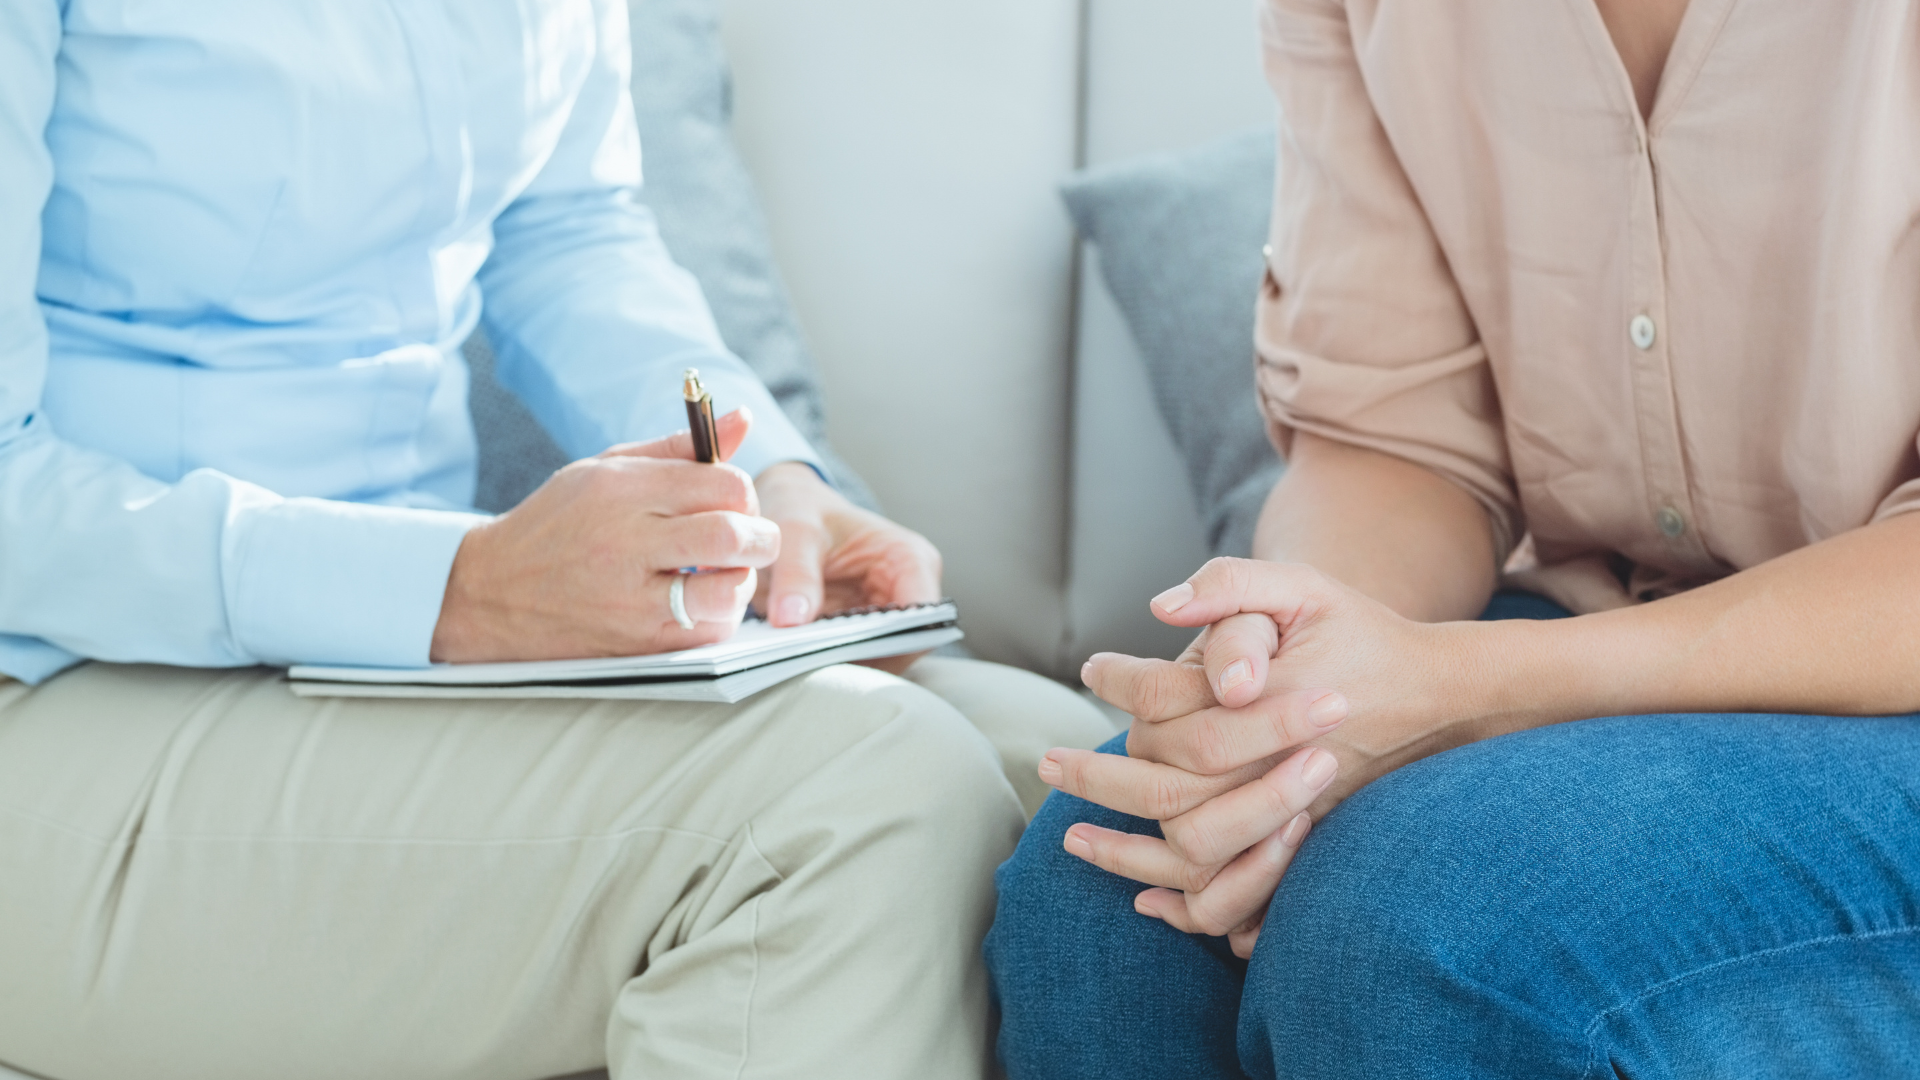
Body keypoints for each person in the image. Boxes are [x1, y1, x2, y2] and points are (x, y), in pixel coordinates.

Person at [0, 2, 1113, 1078]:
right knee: (857, 795)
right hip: (60, 679)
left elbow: (567, 229)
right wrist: (457, 593)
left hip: (375, 648)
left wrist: (764, 487)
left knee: (1076, 779)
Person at [987, 1, 1920, 1077]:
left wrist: (1461, 680)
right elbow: (1401, 438)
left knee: (1421, 938)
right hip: (1613, 612)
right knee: (1107, 907)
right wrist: (1292, 684)